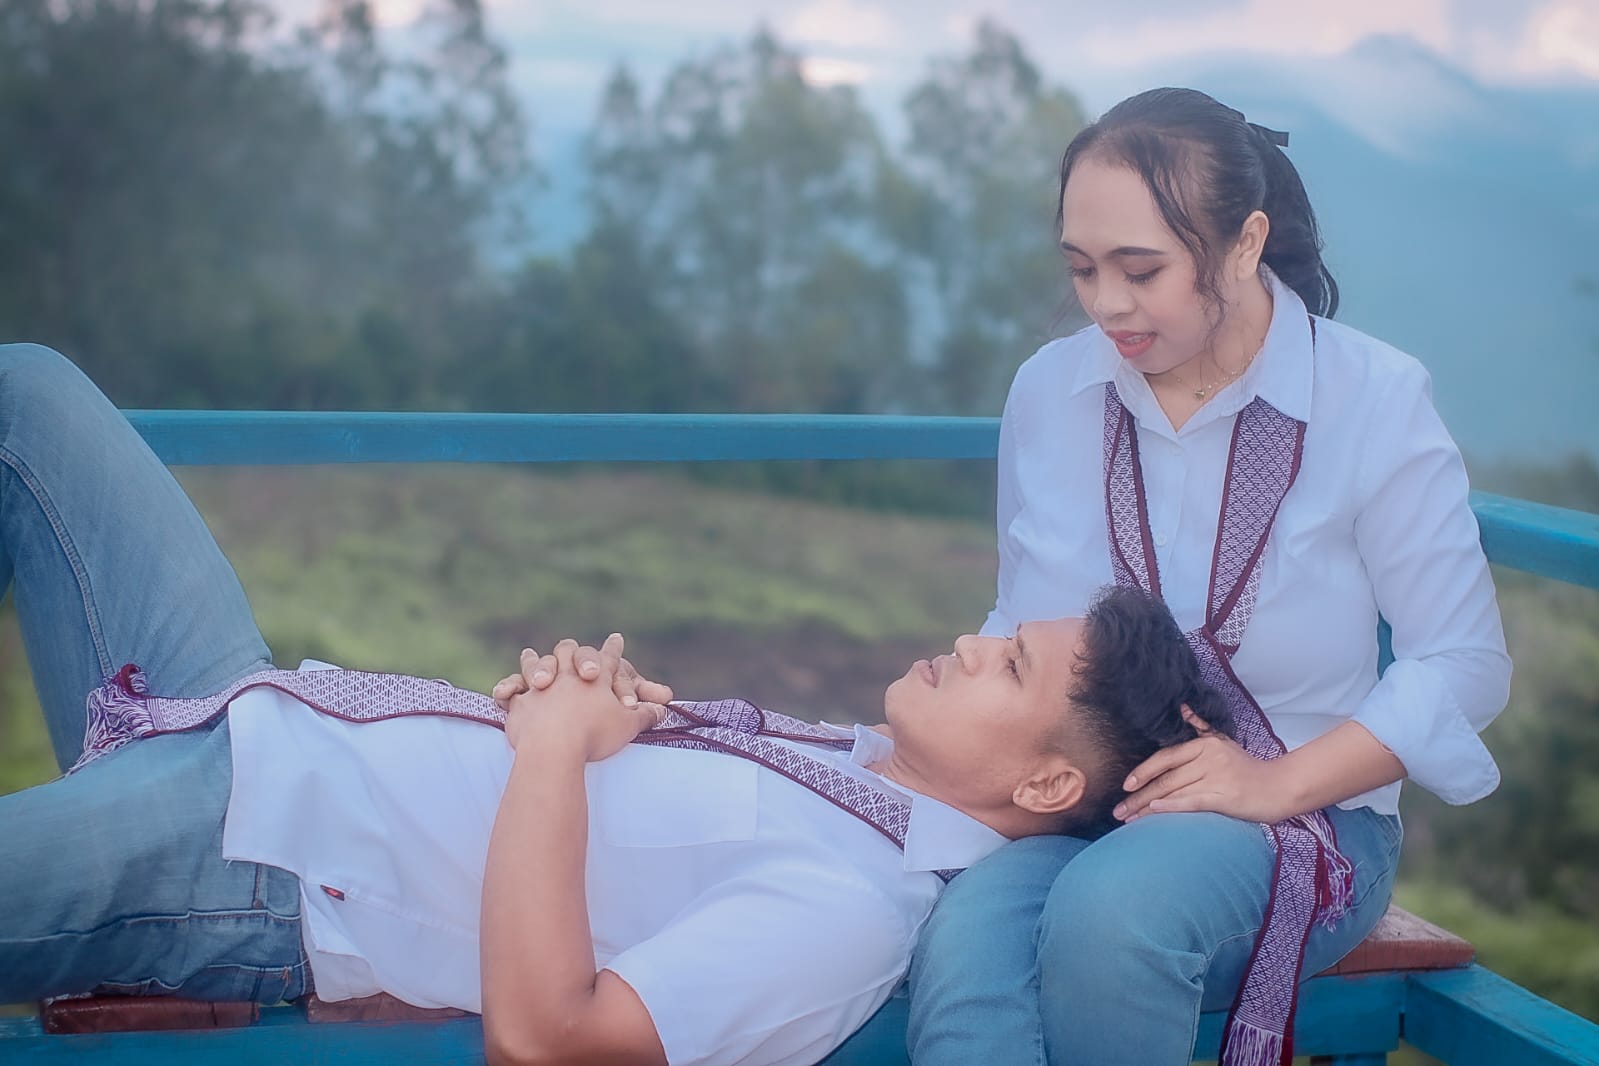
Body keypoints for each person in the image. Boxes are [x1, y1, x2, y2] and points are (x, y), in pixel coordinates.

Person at [0, 342, 1231, 1066]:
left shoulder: (853, 910)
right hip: (252, 707)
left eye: (1009, 667)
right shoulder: (851, 764)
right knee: (30, 395)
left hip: (247, 856)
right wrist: (596, 706)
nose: (969, 641)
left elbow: (550, 1038)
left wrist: (551, 752)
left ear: (1047, 782)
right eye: (1002, 635)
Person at [906, 87, 1513, 1066]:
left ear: (1244, 242)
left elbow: (1463, 663)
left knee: (1114, 917)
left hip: (1304, 814)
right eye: (1081, 267)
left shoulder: (1371, 399)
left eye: (1140, 269)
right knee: (966, 943)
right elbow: (1020, 612)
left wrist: (1271, 783)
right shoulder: (1052, 391)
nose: (1105, 303)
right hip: (1086, 800)